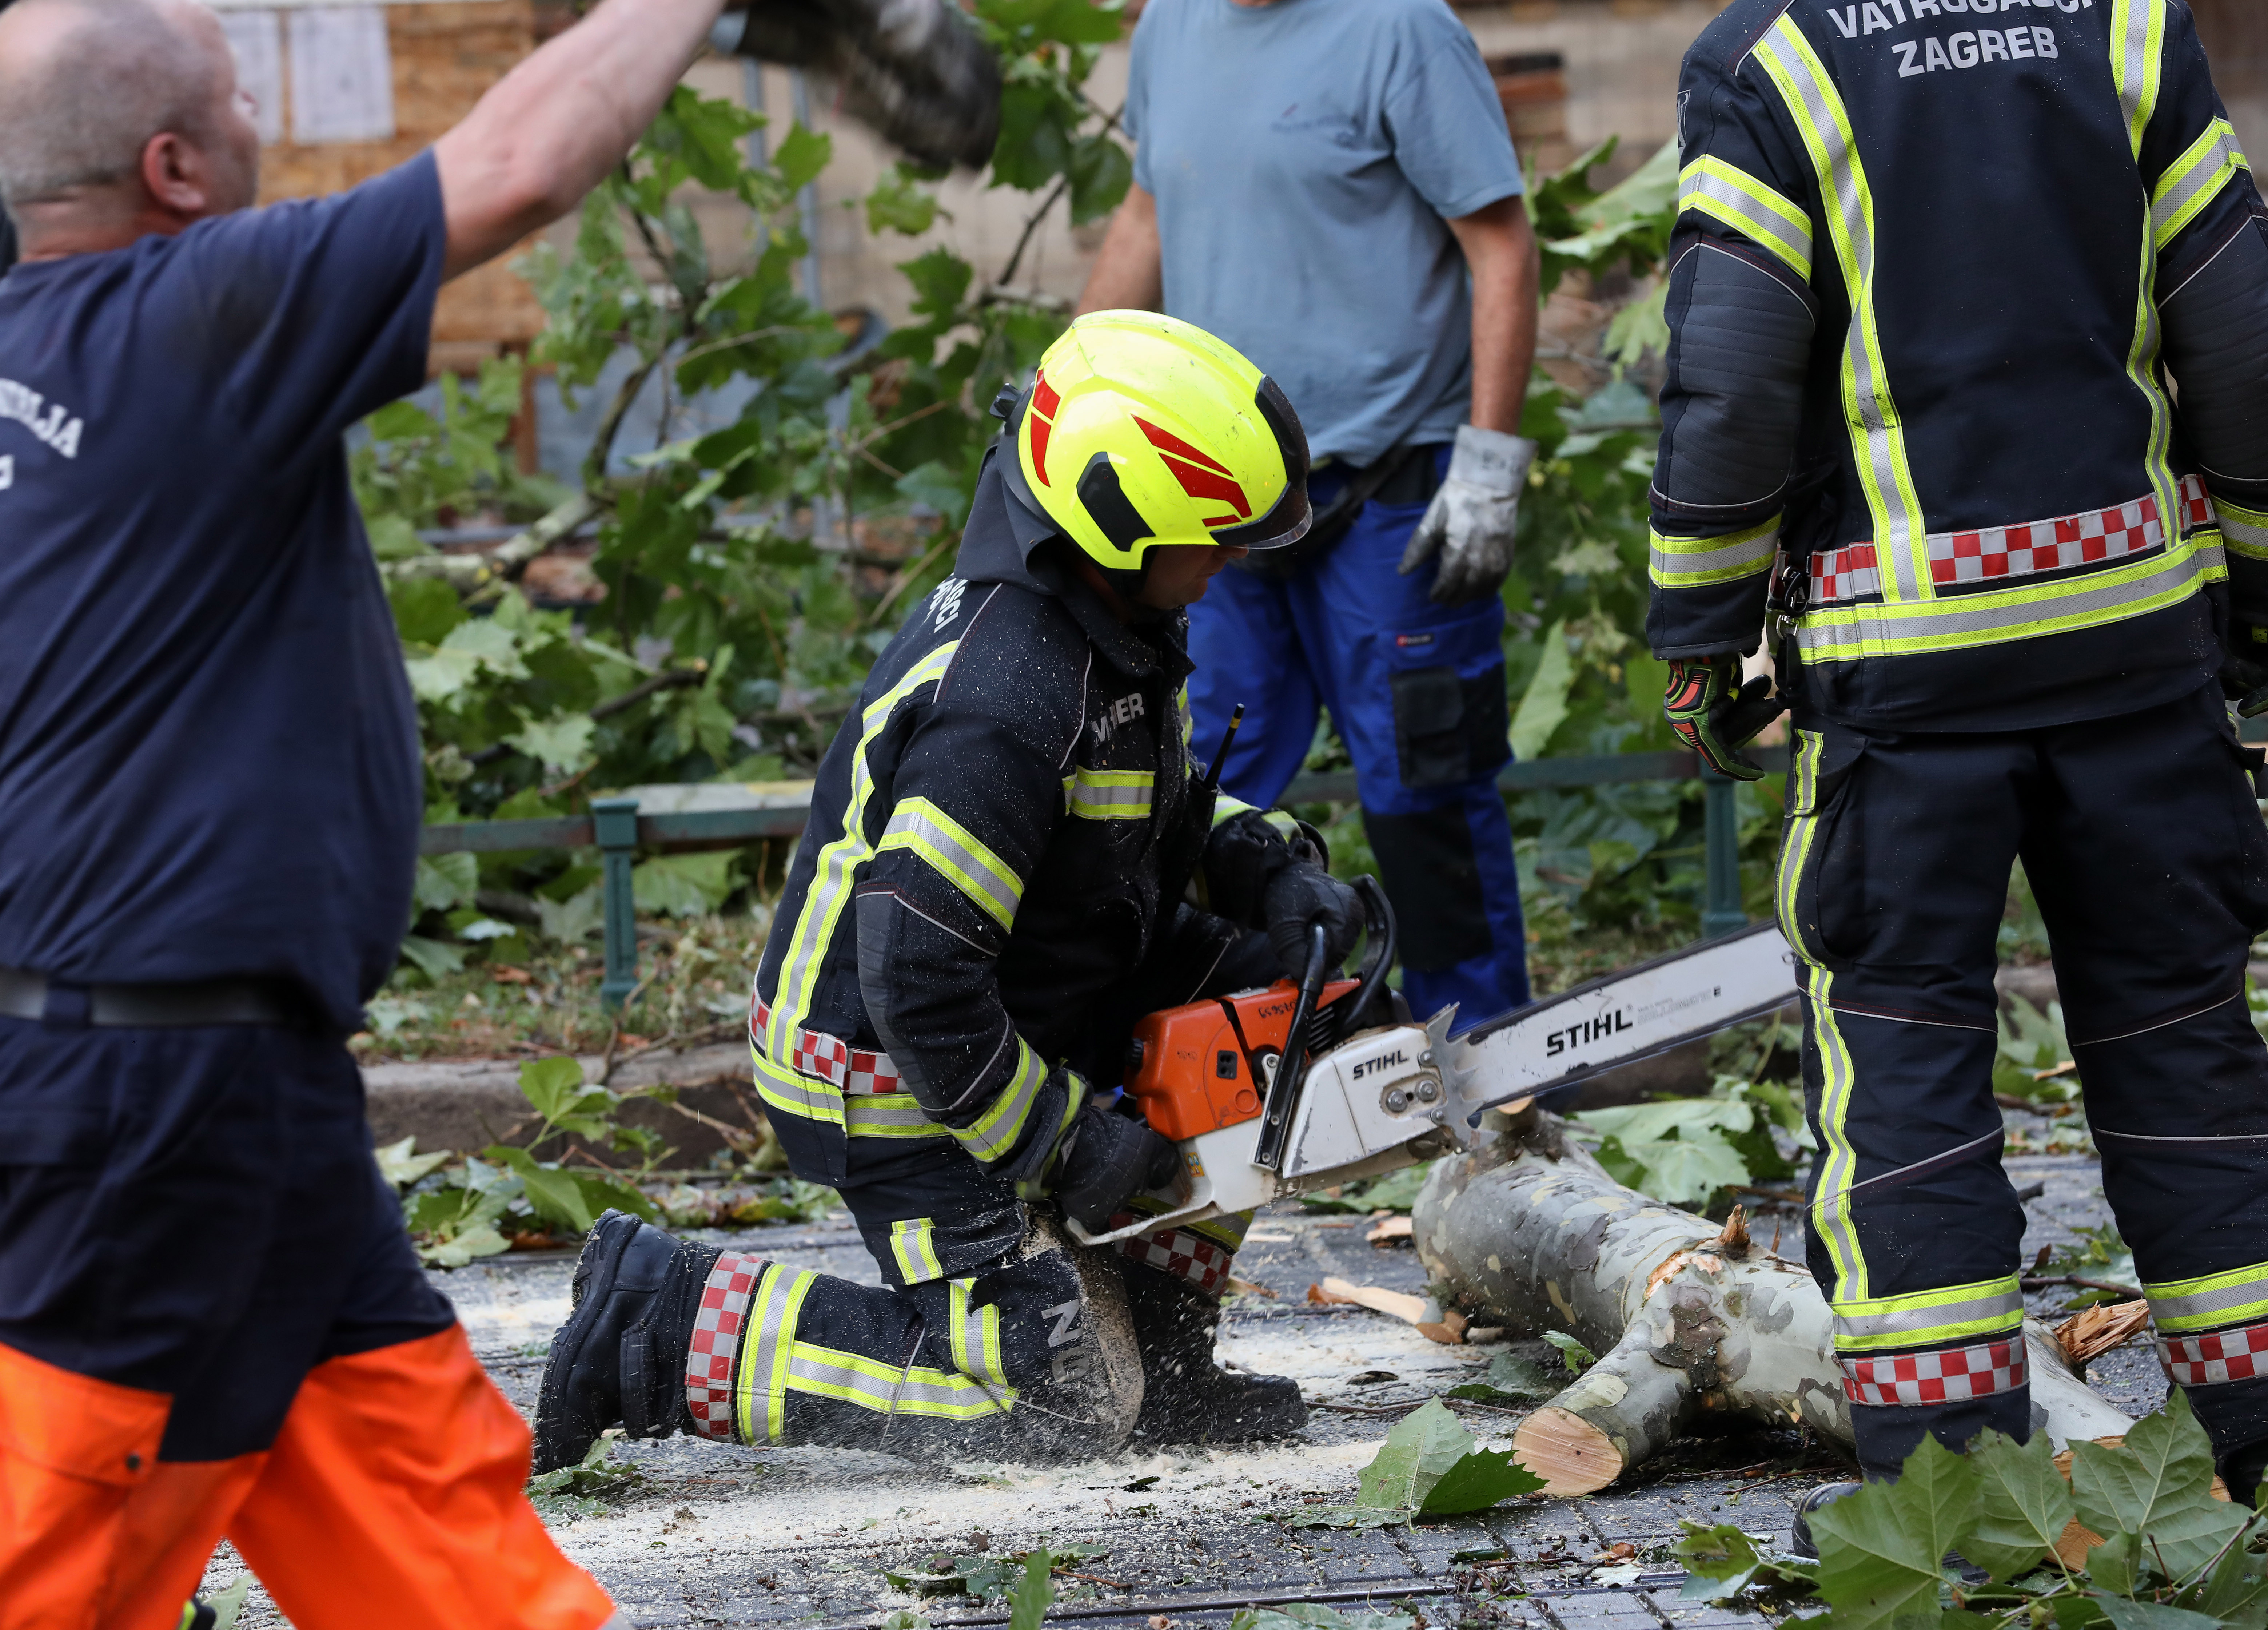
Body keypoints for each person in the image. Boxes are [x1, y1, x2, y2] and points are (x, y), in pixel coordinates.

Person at [0, 0, 759, 1619]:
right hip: (145, 1097)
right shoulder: (197, 312)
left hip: (216, 1090)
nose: (275, 148)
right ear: (177, 168)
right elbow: (520, 161)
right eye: (241, 111)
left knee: (448, 1565)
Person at [1643, 0, 2268, 1525]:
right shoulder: (2129, 30)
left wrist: (1698, 639)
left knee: (1904, 1074)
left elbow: (1735, 376)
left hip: (1907, 687)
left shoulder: (1774, 61)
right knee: (2183, 1044)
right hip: (2136, 652)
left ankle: (1959, 1494)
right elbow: (2247, 334)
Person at [532, 311, 1364, 1468]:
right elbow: (920, 984)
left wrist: (1265, 867)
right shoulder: (1003, 707)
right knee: (1066, 1407)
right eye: (1212, 537)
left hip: (1032, 984)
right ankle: (666, 1326)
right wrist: (1070, 1148)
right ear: (1118, 519)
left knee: (1279, 1006)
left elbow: (1134, 817)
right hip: (897, 1070)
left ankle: (1170, 1358)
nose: (1228, 565)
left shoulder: (1108, 628)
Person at [1076, 0, 1542, 1033]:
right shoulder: (1173, 30)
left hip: (1391, 493)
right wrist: (1066, 394)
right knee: (1195, 796)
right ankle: (1232, 1066)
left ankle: (1488, 1073)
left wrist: (1491, 467)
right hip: (1211, 507)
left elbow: (1501, 248)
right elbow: (1148, 214)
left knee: (1427, 793)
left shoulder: (1400, 31)